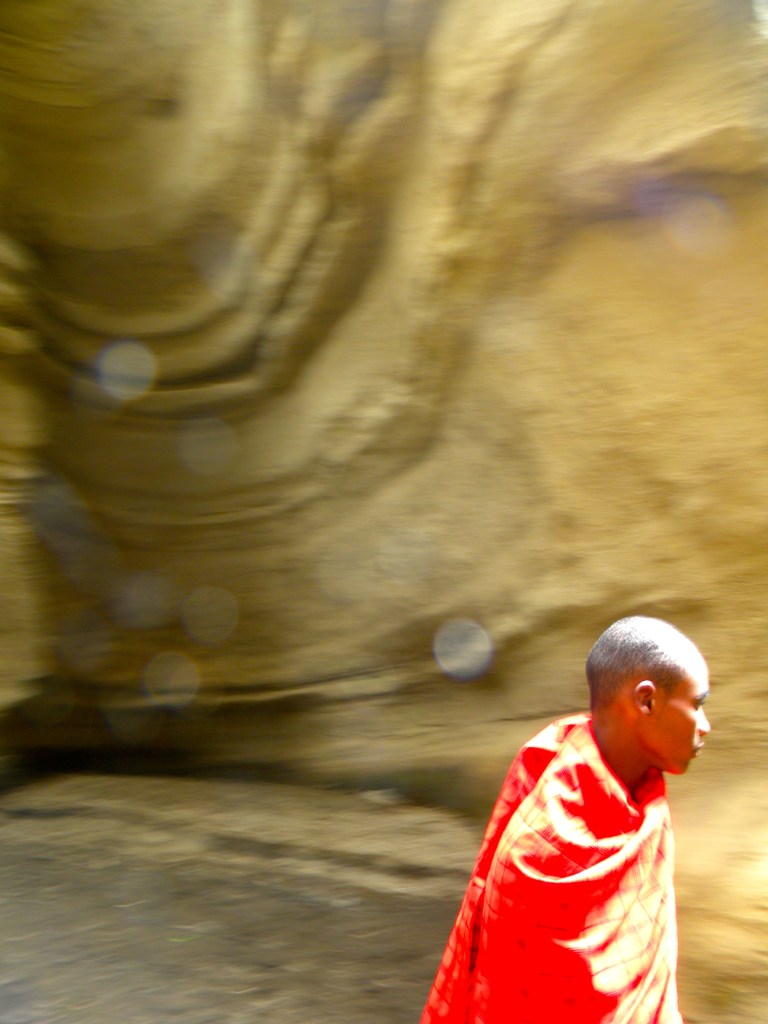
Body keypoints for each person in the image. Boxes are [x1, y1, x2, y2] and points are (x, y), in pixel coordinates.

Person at [420, 615, 711, 1024]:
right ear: (646, 701)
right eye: (697, 705)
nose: (705, 725)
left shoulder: (647, 805)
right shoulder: (533, 854)